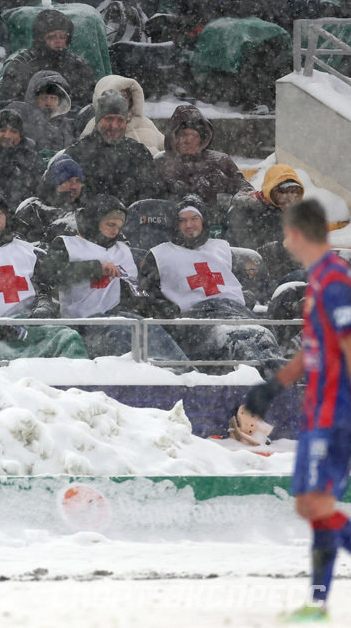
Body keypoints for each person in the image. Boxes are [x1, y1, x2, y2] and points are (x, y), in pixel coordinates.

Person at [241, 198, 351, 622]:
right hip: (319, 407)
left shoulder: (335, 278)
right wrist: (273, 386)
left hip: (337, 411)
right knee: (310, 504)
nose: (285, 242)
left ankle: (318, 603)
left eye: (287, 234)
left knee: (317, 504)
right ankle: (318, 604)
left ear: (298, 233)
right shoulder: (318, 280)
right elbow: (312, 349)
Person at [38, 195, 189, 361]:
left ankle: (181, 370)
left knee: (146, 327)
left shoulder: (124, 250)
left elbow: (136, 289)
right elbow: (49, 273)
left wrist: (157, 306)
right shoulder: (67, 245)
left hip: (115, 316)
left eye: (119, 226)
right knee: (122, 330)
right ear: (95, 220)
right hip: (82, 323)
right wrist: (95, 268)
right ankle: (161, 368)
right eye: (110, 224)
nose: (115, 231)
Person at [0, 189, 88, 359]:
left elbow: (44, 288)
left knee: (68, 338)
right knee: (6, 356)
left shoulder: (28, 251)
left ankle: (73, 384)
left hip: (31, 326)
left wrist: (43, 307)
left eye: (0, 214)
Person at [139, 195, 284, 364]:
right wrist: (166, 309)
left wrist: (244, 296)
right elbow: (147, 293)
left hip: (235, 311)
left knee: (263, 336)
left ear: (203, 221)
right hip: (196, 319)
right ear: (175, 223)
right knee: (234, 342)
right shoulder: (159, 255)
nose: (189, 225)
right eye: (182, 220)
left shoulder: (221, 248)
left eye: (195, 219)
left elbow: (236, 283)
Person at [63, 89, 163, 205]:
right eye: (109, 119)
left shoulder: (138, 152)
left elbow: (151, 193)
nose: (114, 125)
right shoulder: (77, 153)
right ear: (98, 120)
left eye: (120, 119)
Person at [0, 9, 96, 105]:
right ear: (40, 38)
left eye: (62, 36)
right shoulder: (24, 62)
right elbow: (5, 99)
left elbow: (88, 99)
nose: (58, 40)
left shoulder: (77, 65)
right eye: (51, 36)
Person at [155, 104, 251, 206]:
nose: (188, 140)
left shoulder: (220, 160)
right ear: (174, 138)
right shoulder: (161, 162)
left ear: (203, 139)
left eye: (194, 136)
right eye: (184, 135)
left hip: (217, 218)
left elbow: (243, 186)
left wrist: (243, 195)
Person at [226, 163, 306, 282]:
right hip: (253, 278)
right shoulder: (244, 210)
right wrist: (280, 248)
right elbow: (247, 253)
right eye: (282, 192)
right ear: (270, 189)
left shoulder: (290, 213)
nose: (288, 198)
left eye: (294, 193)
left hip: (285, 272)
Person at [77, 75, 164, 154]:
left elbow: (166, 148)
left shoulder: (145, 123)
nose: (122, 101)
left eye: (125, 97)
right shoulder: (93, 126)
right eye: (117, 95)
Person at [13, 153, 86, 244]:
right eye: (67, 180)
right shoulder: (32, 209)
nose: (74, 186)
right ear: (53, 184)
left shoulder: (87, 209)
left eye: (77, 181)